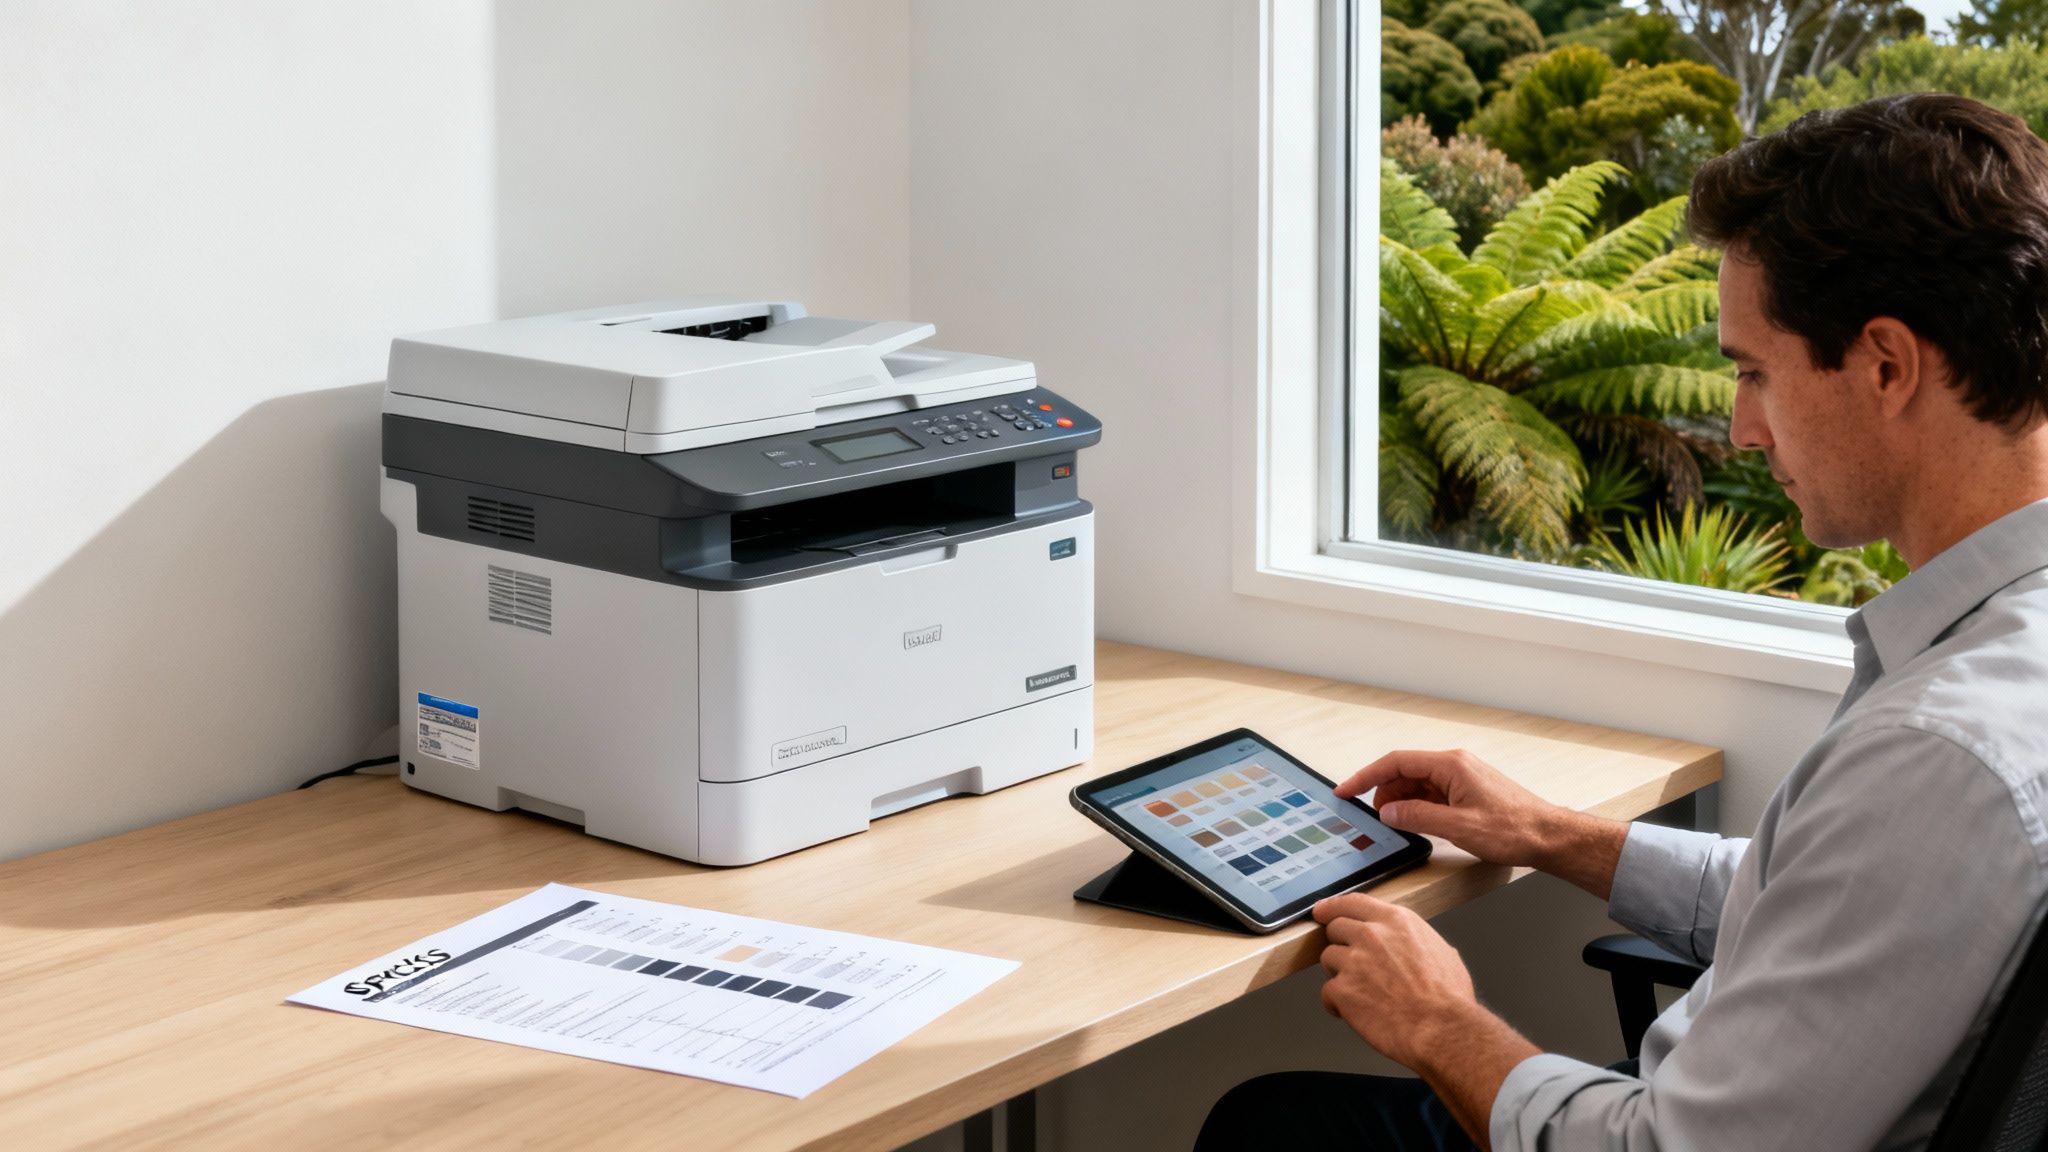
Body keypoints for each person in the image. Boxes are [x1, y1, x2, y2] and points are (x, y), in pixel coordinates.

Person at [1196, 92, 2048, 1151]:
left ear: (1883, 363)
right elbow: (1844, 912)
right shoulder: (2002, 664)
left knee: (1273, 1128)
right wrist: (1550, 836)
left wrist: (1436, 1022)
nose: (1739, 428)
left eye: (1751, 372)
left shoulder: (1937, 752)